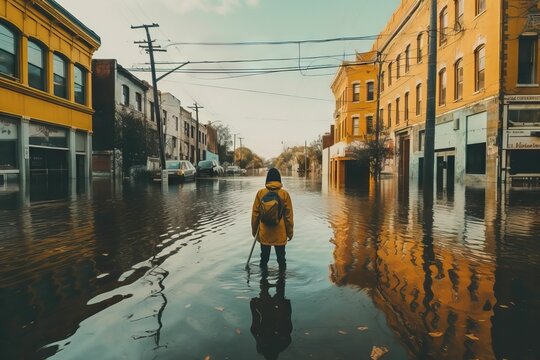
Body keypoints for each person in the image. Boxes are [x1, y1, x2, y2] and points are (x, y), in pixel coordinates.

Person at [251, 168, 294, 269]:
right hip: (280, 234)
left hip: (264, 233)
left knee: (264, 259)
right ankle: (282, 281)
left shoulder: (260, 193)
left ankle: (263, 282)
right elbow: (288, 217)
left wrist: (255, 232)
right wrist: (290, 233)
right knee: (281, 260)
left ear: (267, 179)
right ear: (279, 179)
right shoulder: (284, 194)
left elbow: (255, 215)